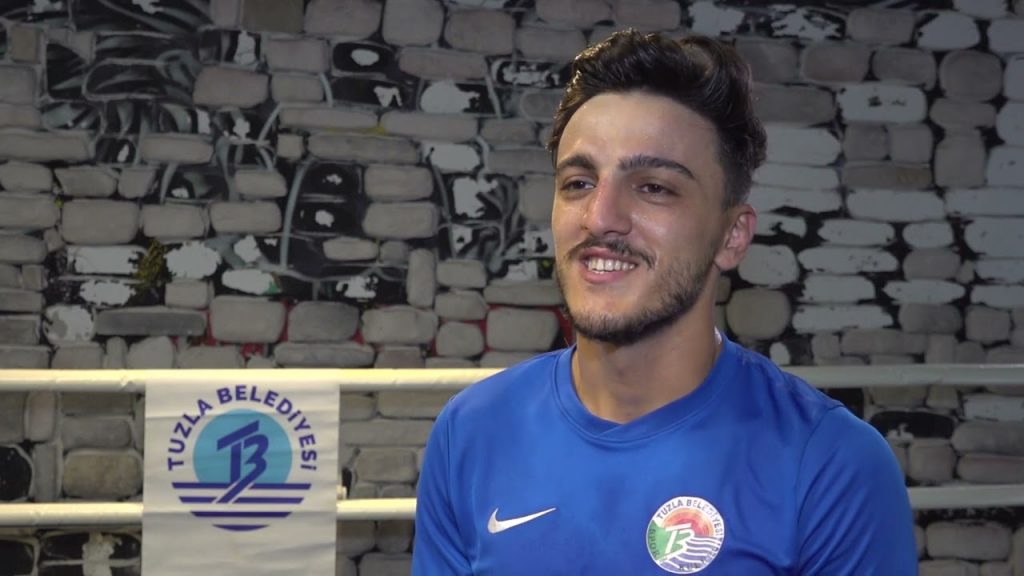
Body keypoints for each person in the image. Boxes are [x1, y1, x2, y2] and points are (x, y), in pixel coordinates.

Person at [413, 30, 917, 575]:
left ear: (731, 236)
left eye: (654, 187)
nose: (600, 217)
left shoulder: (830, 464)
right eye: (579, 183)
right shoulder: (472, 432)